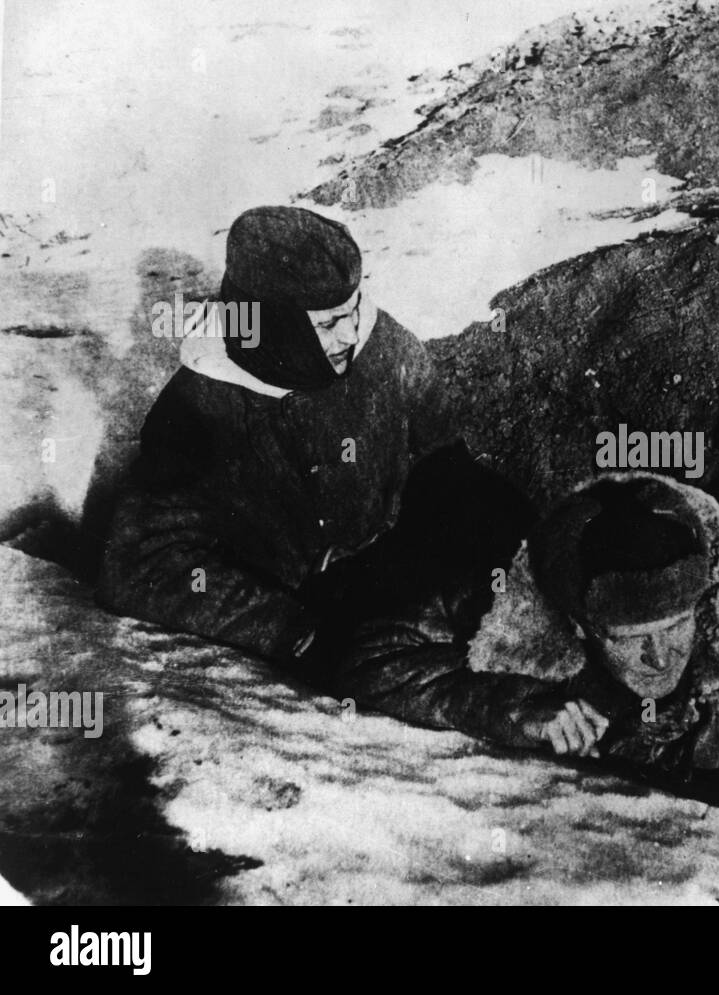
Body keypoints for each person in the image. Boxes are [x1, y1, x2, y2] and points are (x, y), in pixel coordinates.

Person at [97, 206, 586, 751]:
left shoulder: (383, 345)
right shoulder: (197, 411)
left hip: (402, 556)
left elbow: (443, 460)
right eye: (328, 323)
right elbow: (141, 567)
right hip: (319, 606)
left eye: (352, 310)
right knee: (402, 671)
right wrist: (290, 630)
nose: (350, 334)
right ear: (274, 324)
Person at [466, 472, 719, 773]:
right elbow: (402, 663)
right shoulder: (521, 624)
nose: (660, 658)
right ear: (577, 625)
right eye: (632, 638)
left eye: (676, 625)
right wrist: (509, 707)